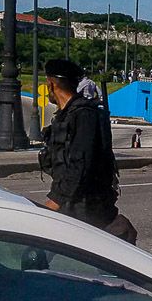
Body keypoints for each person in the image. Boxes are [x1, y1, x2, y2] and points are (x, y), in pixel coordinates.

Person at [38, 59, 134, 243]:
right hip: (73, 203)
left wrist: (55, 201)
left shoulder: (84, 115)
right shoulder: (66, 115)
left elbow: (80, 163)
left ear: (51, 83)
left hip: (85, 206)